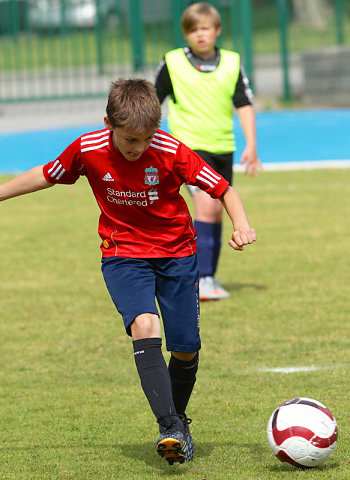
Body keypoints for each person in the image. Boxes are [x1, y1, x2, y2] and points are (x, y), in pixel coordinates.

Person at [0, 78, 256, 465]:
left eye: (144, 140)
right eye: (128, 140)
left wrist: (241, 224)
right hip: (124, 255)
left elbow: (223, 189)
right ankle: (169, 425)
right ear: (109, 124)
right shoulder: (88, 148)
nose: (136, 148)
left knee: (186, 349)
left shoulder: (170, 150)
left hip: (177, 255)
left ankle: (178, 422)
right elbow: (46, 175)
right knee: (144, 324)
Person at [155, 1, 261, 301]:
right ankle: (200, 279)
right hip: (188, 148)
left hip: (222, 148)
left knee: (217, 212)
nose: (200, 35)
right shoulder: (172, 62)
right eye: (193, 30)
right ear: (185, 33)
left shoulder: (231, 62)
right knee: (205, 207)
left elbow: (244, 104)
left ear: (217, 30)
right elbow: (152, 102)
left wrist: (251, 145)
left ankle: (209, 278)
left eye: (205, 28)